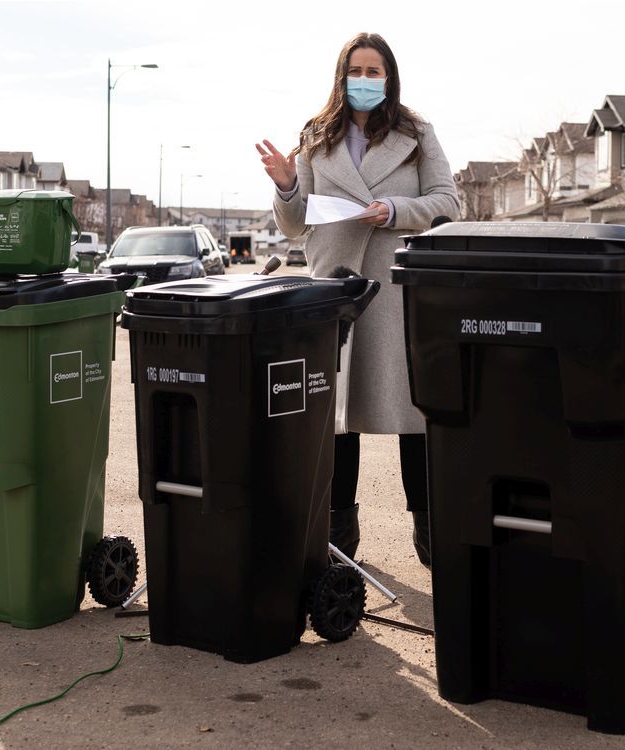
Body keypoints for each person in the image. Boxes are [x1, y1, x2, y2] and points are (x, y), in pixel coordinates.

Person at [256, 32, 459, 566]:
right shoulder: (316, 135)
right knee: (335, 411)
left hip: (397, 290)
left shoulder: (417, 132)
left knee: (414, 411)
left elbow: (447, 202)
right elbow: (295, 224)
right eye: (357, 70)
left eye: (375, 71)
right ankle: (337, 531)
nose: (365, 80)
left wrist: (393, 210)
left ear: (390, 77)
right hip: (335, 289)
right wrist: (284, 187)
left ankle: (431, 528)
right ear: (341, 75)